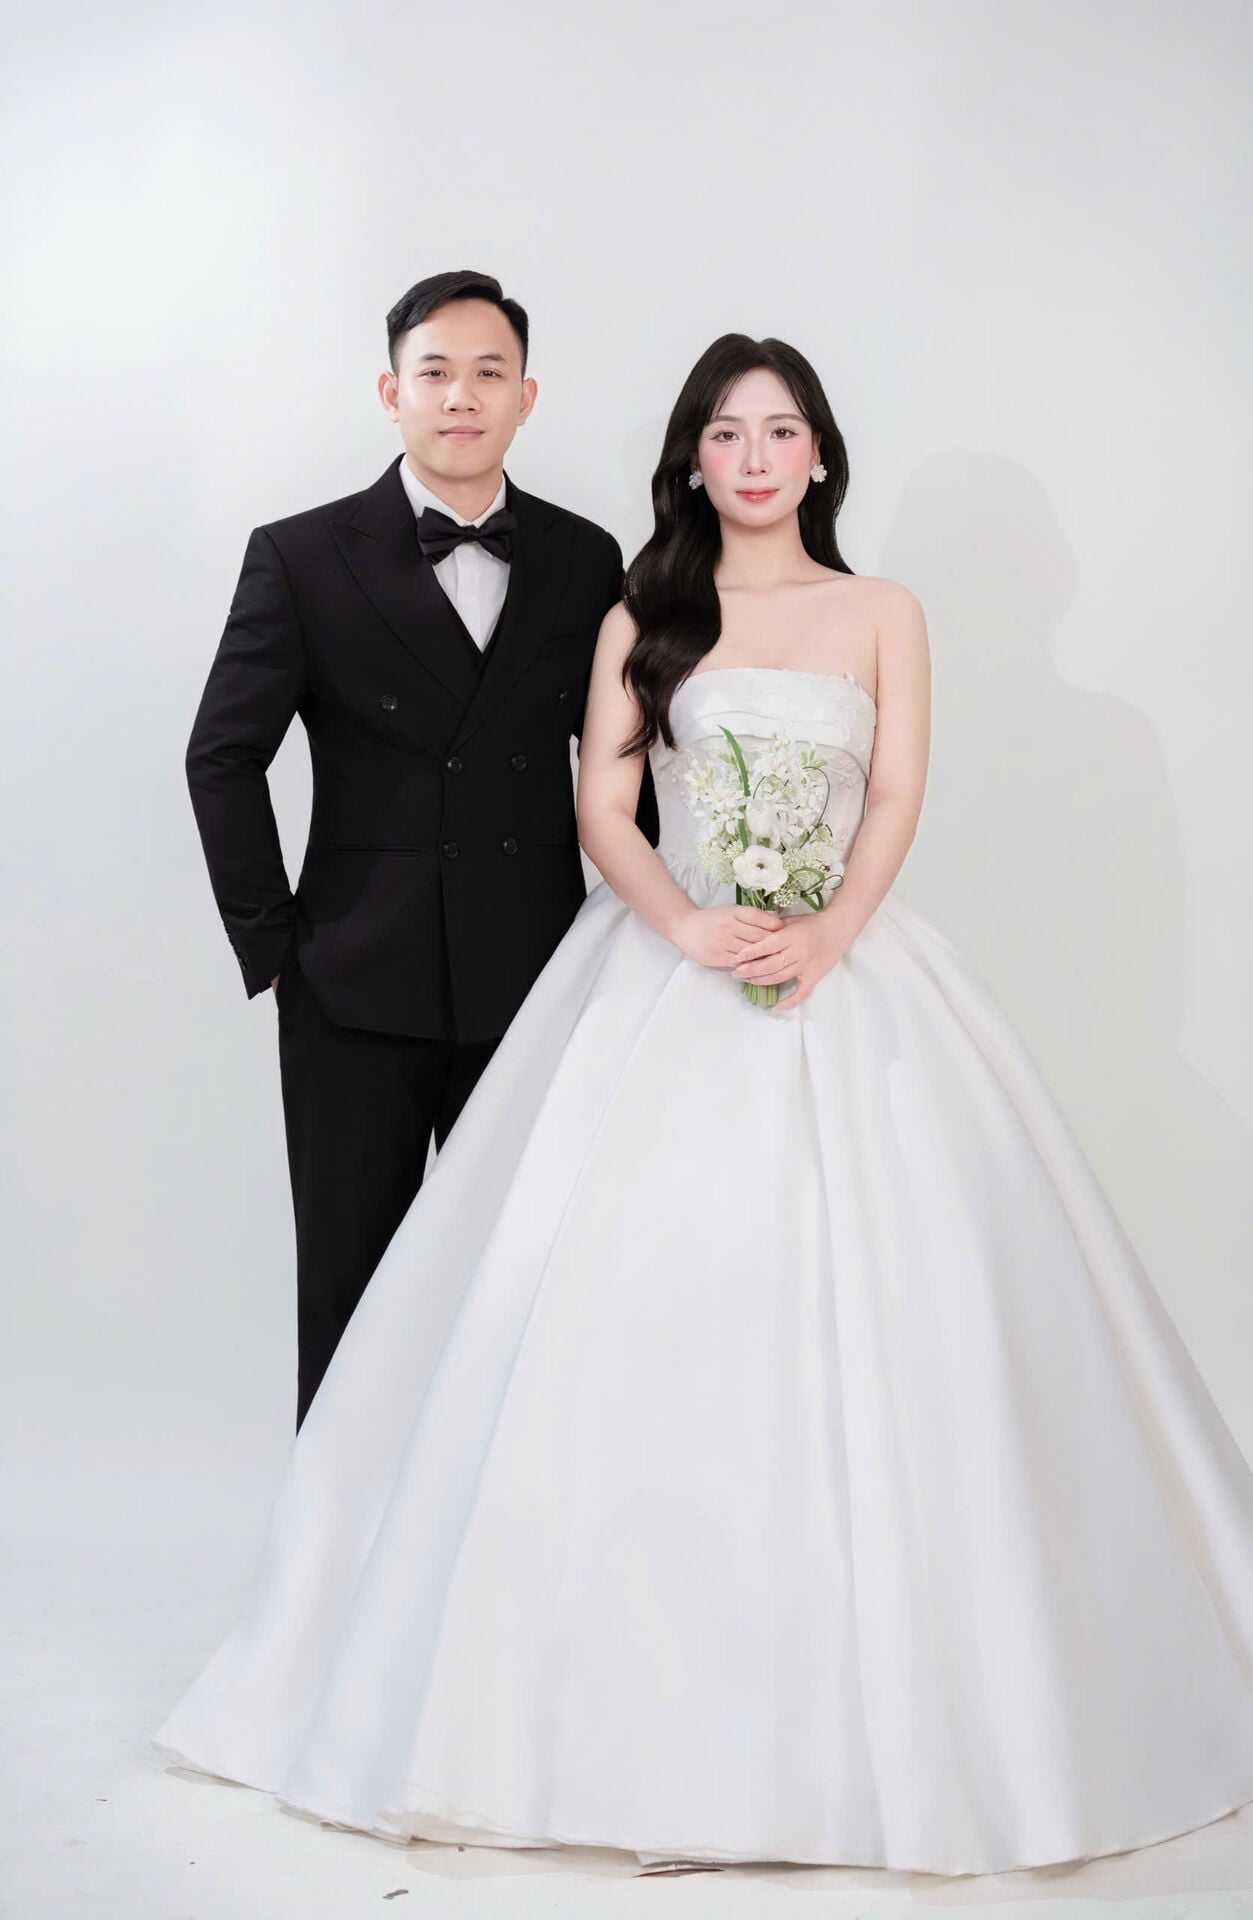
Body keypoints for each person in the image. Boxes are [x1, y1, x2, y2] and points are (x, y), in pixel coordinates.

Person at [157, 333, 1253, 1876]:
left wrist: (829, 930)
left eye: (780, 431)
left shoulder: (883, 611)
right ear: (690, 458)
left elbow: (896, 793)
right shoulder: (641, 611)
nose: (753, 458)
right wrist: (685, 923)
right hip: (666, 966)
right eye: (725, 433)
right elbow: (603, 802)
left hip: (845, 972)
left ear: (820, 456)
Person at [185, 269, 658, 1425]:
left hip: (533, 982)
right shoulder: (300, 555)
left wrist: (636, 946)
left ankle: (500, 1533)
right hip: (352, 984)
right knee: (349, 1294)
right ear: (390, 391)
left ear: (526, 397)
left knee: (526, 1291)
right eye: (435, 372)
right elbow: (222, 756)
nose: (461, 395)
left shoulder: (582, 558)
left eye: (488, 373)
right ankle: (336, 1535)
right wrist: (275, 948)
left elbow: (623, 762)